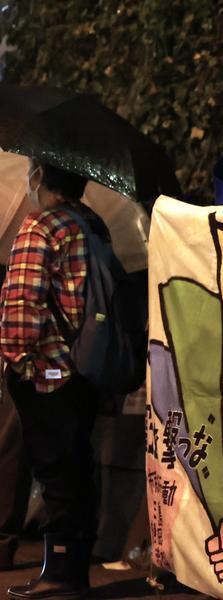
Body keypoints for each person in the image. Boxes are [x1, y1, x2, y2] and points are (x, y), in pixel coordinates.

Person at [0, 161, 107, 599]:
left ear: (40, 175)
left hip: (47, 372)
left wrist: (19, 364)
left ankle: (58, 575)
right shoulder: (92, 225)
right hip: (85, 367)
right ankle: (72, 571)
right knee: (77, 468)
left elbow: (22, 301)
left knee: (54, 472)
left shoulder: (41, 225)